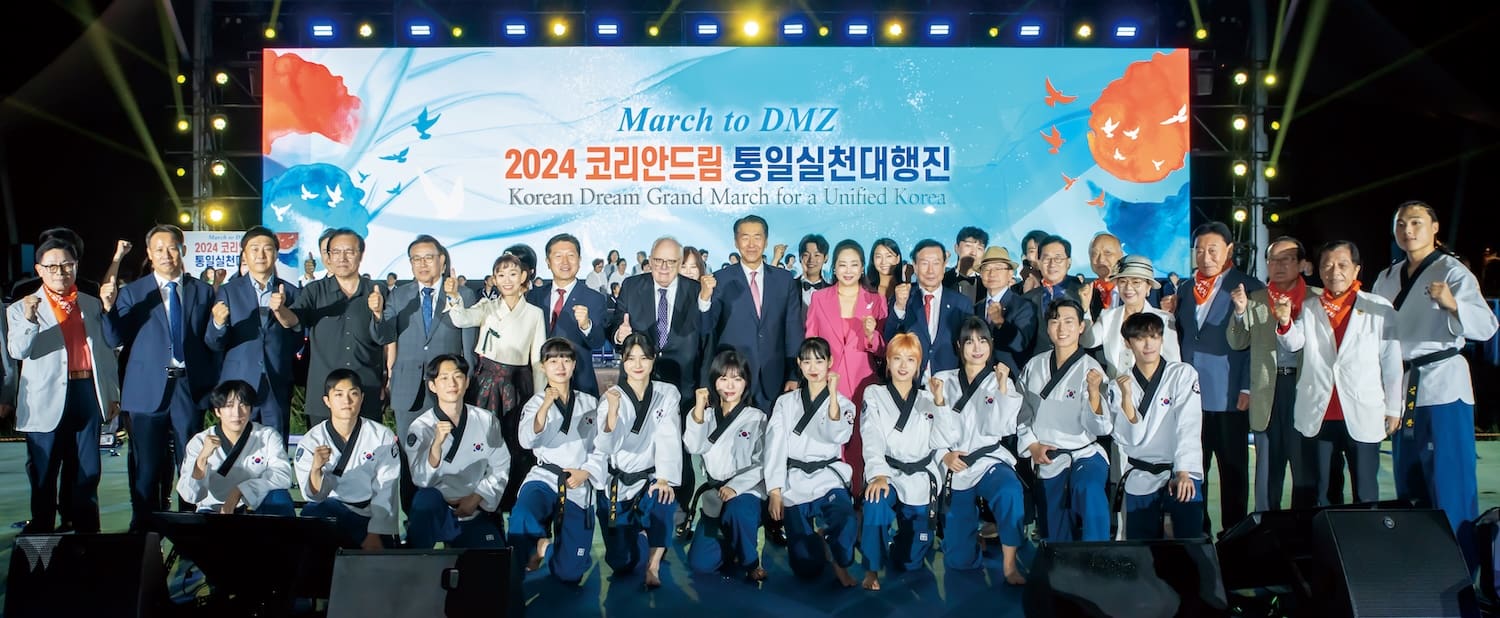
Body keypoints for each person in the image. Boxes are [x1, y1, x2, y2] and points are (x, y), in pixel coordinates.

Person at [1372, 202, 1498, 568]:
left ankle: (1463, 571)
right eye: (1400, 224)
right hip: (1402, 385)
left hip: (1443, 385)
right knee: (1409, 482)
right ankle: (1420, 570)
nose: (1407, 230)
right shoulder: (1387, 276)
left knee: (1449, 483)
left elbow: (1487, 327)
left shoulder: (1452, 271)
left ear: (1434, 227)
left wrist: (1452, 304)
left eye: (1416, 222)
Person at [102, 224, 220, 529]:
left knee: (191, 461)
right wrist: (109, 308)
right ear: (149, 255)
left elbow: (210, 342)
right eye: (159, 249)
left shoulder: (203, 291)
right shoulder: (133, 292)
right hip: (145, 392)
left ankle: (190, 525)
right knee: (146, 466)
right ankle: (143, 526)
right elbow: (113, 337)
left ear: (183, 249)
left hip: (188, 389)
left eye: (172, 247)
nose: (166, 255)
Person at [7, 238, 121, 533]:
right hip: (45, 399)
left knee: (88, 471)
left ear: (75, 267)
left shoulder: (91, 303)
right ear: (39, 270)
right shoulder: (22, 307)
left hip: (87, 393)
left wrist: (112, 395)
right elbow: (17, 351)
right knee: (44, 474)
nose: (60, 271)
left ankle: (86, 537)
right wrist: (31, 318)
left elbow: (107, 354)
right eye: (52, 266)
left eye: (67, 265)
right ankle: (41, 544)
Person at [1277, 241, 1403, 505]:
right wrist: (1285, 322)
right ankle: (1328, 543)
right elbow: (1293, 344)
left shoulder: (1378, 307)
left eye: (1342, 265)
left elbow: (1391, 360)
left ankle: (1365, 544)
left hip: (1362, 410)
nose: (1335, 271)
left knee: (1366, 491)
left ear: (1356, 270)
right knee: (1323, 491)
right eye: (1328, 265)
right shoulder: (1310, 307)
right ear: (1320, 271)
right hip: (1320, 412)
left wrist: (1394, 407)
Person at [608, 236, 713, 529]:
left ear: (680, 264)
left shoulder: (696, 291)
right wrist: (620, 334)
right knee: (636, 444)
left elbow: (707, 339)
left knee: (677, 447)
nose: (664, 267)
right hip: (639, 381)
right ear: (650, 261)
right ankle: (637, 504)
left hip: (684, 382)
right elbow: (617, 328)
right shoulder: (632, 286)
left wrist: (704, 386)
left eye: (671, 262)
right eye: (658, 261)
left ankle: (679, 510)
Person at [1173, 222, 1263, 534]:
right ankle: (1198, 532)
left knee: (1233, 469)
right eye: (1199, 249)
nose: (1205, 256)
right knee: (1194, 466)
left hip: (1228, 394)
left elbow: (1258, 343)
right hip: (1189, 396)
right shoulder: (1185, 289)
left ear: (1228, 250)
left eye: (1213, 249)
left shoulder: (1248, 286)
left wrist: (1247, 385)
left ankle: (1234, 534)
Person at [444, 253, 546, 511]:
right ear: (494, 279)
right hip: (485, 383)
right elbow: (461, 319)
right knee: (482, 441)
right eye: (501, 275)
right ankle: (478, 503)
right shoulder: (487, 306)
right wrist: (455, 297)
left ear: (524, 276)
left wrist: (539, 397)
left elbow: (537, 361)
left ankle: (510, 502)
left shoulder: (534, 313)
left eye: (513, 274)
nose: (507, 280)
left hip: (517, 384)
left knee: (513, 443)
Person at [1228, 237, 1321, 511]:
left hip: (1304, 388)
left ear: (1302, 264)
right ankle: (1266, 533)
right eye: (1272, 260)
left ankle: (1304, 535)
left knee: (1304, 468)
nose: (1278, 265)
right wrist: (1239, 312)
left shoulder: (1316, 300)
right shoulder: (1255, 299)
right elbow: (1237, 342)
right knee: (1268, 470)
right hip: (1268, 390)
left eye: (1286, 259)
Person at [934, 317, 1027, 584]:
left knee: (1009, 491)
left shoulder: (1002, 380)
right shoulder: (943, 380)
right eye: (969, 341)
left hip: (989, 460)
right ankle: (971, 538)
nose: (977, 347)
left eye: (983, 340)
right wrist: (944, 455)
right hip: (956, 464)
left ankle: (1010, 566)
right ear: (958, 346)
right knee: (958, 562)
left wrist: (1000, 387)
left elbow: (1003, 427)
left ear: (991, 344)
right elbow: (931, 429)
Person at [764, 338, 858, 586]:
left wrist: (834, 396)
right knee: (806, 567)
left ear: (830, 363)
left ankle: (839, 561)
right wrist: (775, 490)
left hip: (827, 477)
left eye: (819, 360)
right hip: (794, 481)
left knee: (846, 520)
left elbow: (839, 435)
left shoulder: (844, 403)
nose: (813, 367)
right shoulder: (785, 402)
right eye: (807, 361)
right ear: (799, 364)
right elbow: (775, 446)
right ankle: (818, 541)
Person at [1018, 299, 1113, 541]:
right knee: (1054, 529)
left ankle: (1098, 556)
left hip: (1085, 453)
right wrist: (1032, 445)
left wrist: (1094, 394)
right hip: (1048, 454)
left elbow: (1100, 427)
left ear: (1081, 327)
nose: (1062, 328)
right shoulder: (1034, 366)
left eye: (1069, 321)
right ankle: (1061, 570)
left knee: (1089, 490)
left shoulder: (1091, 369)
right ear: (1047, 328)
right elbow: (1021, 411)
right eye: (1055, 321)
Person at [591, 333, 682, 587]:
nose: (638, 364)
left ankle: (653, 567)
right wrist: (612, 411)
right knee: (621, 562)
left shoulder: (668, 393)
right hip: (619, 481)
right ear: (623, 361)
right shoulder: (612, 395)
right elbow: (607, 444)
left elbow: (669, 437)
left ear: (654, 360)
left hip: (651, 477)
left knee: (664, 499)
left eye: (644, 357)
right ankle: (641, 537)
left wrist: (664, 478)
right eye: (631, 358)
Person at [1104, 312, 1204, 540]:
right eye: (1140, 338)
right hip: (1141, 474)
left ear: (1162, 339)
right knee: (1142, 548)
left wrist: (1184, 471)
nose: (1148, 344)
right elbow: (1128, 439)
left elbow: (1188, 425)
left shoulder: (1182, 374)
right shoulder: (1118, 386)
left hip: (1182, 470)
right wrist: (1127, 399)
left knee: (1190, 542)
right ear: (1127, 343)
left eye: (1154, 336)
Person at [859, 333, 947, 591]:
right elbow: (871, 434)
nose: (903, 365)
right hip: (888, 472)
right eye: (897, 358)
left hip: (919, 476)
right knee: (875, 503)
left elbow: (945, 437)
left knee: (910, 562)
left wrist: (940, 403)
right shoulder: (874, 393)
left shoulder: (929, 398)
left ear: (919, 364)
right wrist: (877, 474)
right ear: (887, 362)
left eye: (910, 359)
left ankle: (901, 547)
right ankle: (871, 568)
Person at [511, 338, 601, 583]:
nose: (560, 366)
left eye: (566, 359)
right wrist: (546, 406)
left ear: (574, 365)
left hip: (577, 483)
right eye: (553, 360)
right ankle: (520, 565)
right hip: (545, 477)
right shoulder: (536, 403)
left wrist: (588, 472)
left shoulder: (590, 403)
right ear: (543, 367)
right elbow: (525, 440)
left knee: (569, 573)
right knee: (522, 516)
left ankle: (544, 549)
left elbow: (602, 448)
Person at [273, 228, 385, 424]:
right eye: (336, 252)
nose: (342, 258)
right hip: (324, 394)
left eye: (349, 252)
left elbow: (388, 337)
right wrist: (279, 309)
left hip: (366, 391)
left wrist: (378, 314)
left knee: (369, 452)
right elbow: (292, 320)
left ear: (360, 255)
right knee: (322, 452)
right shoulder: (314, 291)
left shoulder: (377, 291)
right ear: (329, 256)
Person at [805, 239, 887, 498]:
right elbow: (811, 342)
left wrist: (871, 334)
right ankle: (832, 500)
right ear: (834, 267)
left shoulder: (875, 301)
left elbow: (883, 350)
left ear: (862, 268)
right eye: (842, 264)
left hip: (864, 382)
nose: (848, 270)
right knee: (830, 442)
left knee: (862, 442)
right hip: (830, 383)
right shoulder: (819, 298)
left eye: (854, 264)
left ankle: (861, 501)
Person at [205, 227, 302, 444]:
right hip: (237, 384)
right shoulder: (229, 291)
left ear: (276, 255)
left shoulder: (291, 292)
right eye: (254, 249)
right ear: (245, 255)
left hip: (276, 381)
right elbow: (213, 342)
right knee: (236, 447)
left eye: (267, 249)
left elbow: (297, 342)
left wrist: (286, 315)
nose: (261, 255)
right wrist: (218, 324)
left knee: (275, 447)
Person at [403, 354, 509, 549]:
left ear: (467, 381)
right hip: (435, 508)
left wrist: (477, 497)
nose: (452, 383)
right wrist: (436, 446)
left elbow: (501, 465)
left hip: (472, 507)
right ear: (433, 386)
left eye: (458, 376)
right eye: (444, 378)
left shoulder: (486, 420)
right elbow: (420, 479)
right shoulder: (421, 427)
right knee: (426, 500)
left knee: (494, 565)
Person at [375, 235, 478, 426]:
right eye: (416, 259)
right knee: (409, 451)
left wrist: (466, 382)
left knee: (446, 450)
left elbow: (469, 347)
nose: (422, 264)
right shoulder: (399, 295)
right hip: (407, 390)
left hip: (448, 388)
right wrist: (377, 314)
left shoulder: (463, 294)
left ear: (442, 260)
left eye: (428, 258)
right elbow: (384, 336)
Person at [684, 349, 768, 582]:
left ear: (746, 383)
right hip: (715, 493)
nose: (730, 386)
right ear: (714, 381)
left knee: (737, 510)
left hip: (747, 492)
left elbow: (764, 462)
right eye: (723, 378)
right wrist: (699, 407)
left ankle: (751, 562)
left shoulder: (757, 418)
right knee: (700, 565)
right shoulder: (706, 416)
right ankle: (733, 545)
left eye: (737, 379)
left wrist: (736, 487)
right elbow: (693, 445)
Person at [704, 215, 804, 411]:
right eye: (745, 237)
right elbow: (709, 331)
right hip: (732, 381)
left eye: (757, 237)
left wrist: (794, 374)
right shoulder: (720, 280)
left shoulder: (784, 280)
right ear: (736, 241)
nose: (751, 244)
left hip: (775, 379)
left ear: (766, 241)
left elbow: (792, 330)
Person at [296, 369, 401, 549]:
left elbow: (386, 488)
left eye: (353, 394)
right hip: (331, 513)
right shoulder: (311, 440)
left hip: (369, 518)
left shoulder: (382, 436)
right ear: (327, 401)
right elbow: (314, 496)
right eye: (339, 394)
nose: (347, 401)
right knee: (312, 512)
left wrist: (375, 532)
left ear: (362, 397)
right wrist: (315, 469)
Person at [176, 380, 294, 515]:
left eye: (243, 405)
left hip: (254, 507)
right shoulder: (200, 441)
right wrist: (202, 459)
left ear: (251, 409)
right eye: (229, 405)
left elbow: (282, 476)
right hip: (214, 509)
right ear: (218, 411)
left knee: (279, 498)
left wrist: (240, 491)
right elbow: (190, 496)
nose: (237, 413)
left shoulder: (267, 436)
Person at [526, 233, 608, 397]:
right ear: (548, 262)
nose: (565, 262)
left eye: (571, 256)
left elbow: (598, 342)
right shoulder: (533, 296)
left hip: (578, 385)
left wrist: (586, 325)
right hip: (538, 385)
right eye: (558, 256)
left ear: (579, 261)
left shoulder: (594, 298)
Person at [883, 238, 973, 380]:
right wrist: (900, 306)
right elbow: (889, 338)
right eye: (924, 263)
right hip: (909, 383)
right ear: (915, 266)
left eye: (936, 263)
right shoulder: (903, 297)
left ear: (944, 266)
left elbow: (969, 348)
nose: (930, 270)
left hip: (948, 385)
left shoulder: (961, 303)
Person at [1082, 255, 1180, 377]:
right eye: (1123, 281)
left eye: (1136, 282)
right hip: (1115, 391)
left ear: (1148, 287)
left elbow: (1173, 363)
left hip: (1151, 392)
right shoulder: (1108, 316)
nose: (1128, 288)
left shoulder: (1164, 319)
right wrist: (1085, 309)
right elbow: (1088, 342)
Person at [975, 246, 1038, 375]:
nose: (992, 274)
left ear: (1010, 274)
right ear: (981, 274)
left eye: (998, 268)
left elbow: (1020, 344)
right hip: (978, 380)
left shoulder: (1023, 306)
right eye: (986, 269)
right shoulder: (976, 308)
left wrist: (1000, 323)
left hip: (1010, 380)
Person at [1021, 235, 1085, 358]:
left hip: (1078, 364)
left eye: (1058, 258)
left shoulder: (1084, 293)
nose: (1052, 264)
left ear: (1069, 262)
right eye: (1046, 259)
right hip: (1039, 366)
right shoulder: (1028, 299)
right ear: (1038, 262)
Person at [943, 226, 988, 303]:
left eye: (979, 248)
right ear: (956, 248)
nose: (973, 253)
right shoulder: (941, 280)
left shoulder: (987, 285)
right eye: (968, 246)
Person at [795, 234, 833, 309]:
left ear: (826, 258)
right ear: (800, 257)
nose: (811, 260)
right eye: (806, 255)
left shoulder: (832, 292)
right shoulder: (790, 287)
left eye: (817, 255)